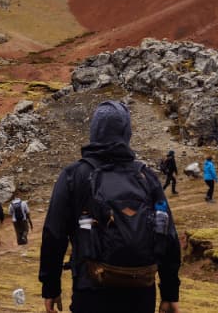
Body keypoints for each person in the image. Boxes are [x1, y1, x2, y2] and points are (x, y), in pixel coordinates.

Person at [39, 101, 181, 313]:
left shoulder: (74, 175)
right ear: (127, 133)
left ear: (94, 131)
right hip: (140, 293)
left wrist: (50, 287)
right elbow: (167, 234)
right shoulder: (146, 177)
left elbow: (54, 234)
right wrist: (170, 293)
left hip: (90, 291)